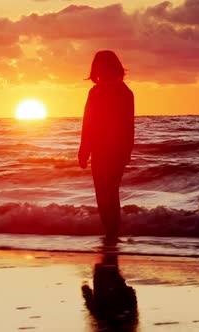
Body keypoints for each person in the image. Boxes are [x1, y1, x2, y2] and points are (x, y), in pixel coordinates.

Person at [78, 50, 134, 244]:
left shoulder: (118, 92)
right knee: (107, 192)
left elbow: (127, 125)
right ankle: (111, 233)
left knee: (106, 192)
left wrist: (84, 151)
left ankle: (112, 232)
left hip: (110, 150)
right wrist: (84, 151)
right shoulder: (119, 91)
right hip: (105, 151)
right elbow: (89, 123)